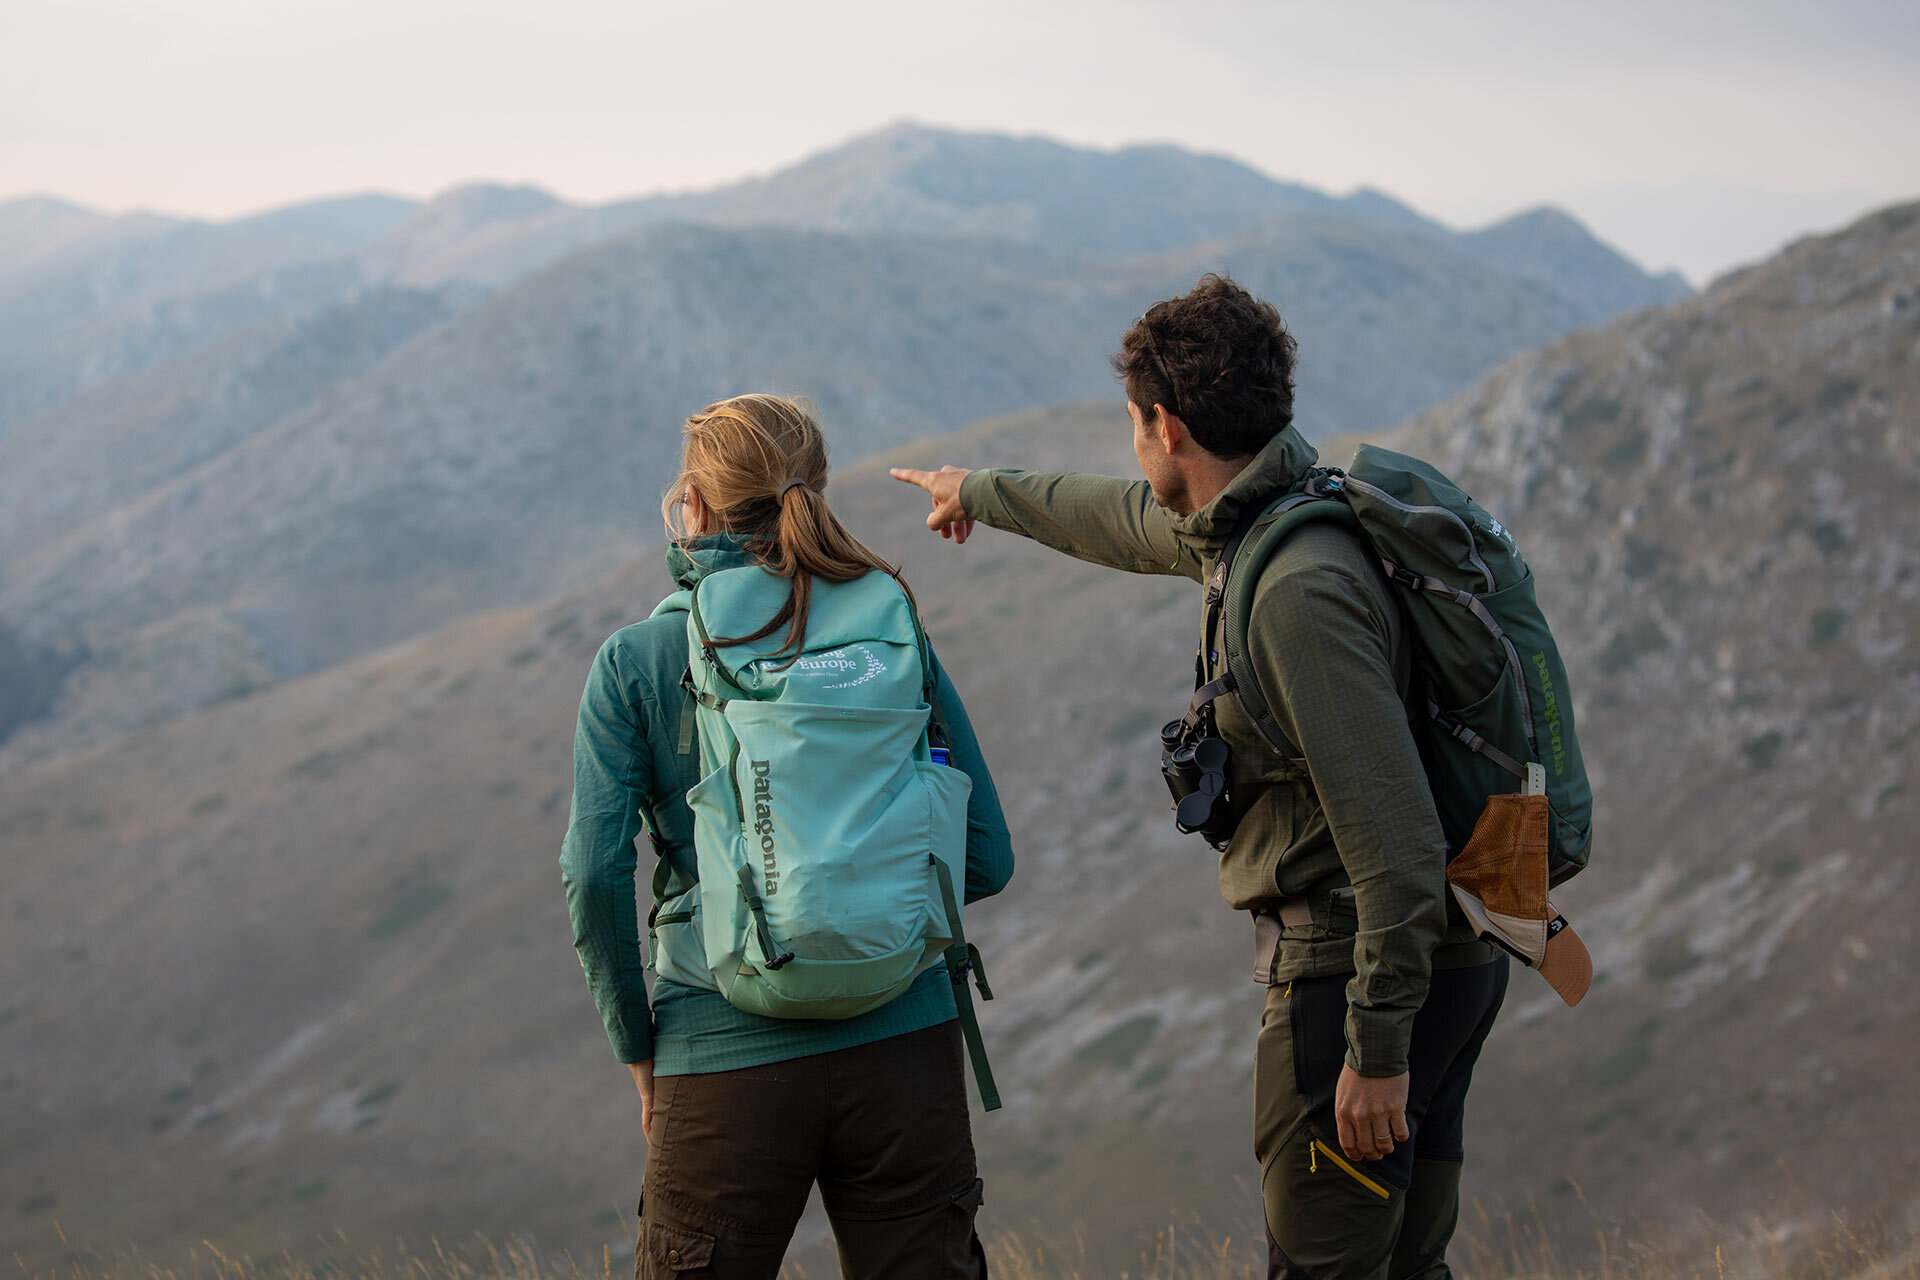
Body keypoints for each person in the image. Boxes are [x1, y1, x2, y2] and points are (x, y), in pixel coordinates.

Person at [891, 276, 1508, 1280]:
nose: (1134, 448)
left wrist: (1375, 1044)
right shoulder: (1278, 518)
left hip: (1358, 972)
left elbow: (1396, 841)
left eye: (1133, 424)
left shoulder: (1298, 590)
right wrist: (982, 490)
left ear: (1166, 424)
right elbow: (1129, 519)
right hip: (1439, 958)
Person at [562, 393, 1014, 1279]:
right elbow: (986, 857)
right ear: (816, 492)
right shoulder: (889, 627)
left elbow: (593, 875)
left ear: (692, 505)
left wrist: (638, 1048)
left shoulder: (636, 662)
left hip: (721, 1050)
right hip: (905, 1046)